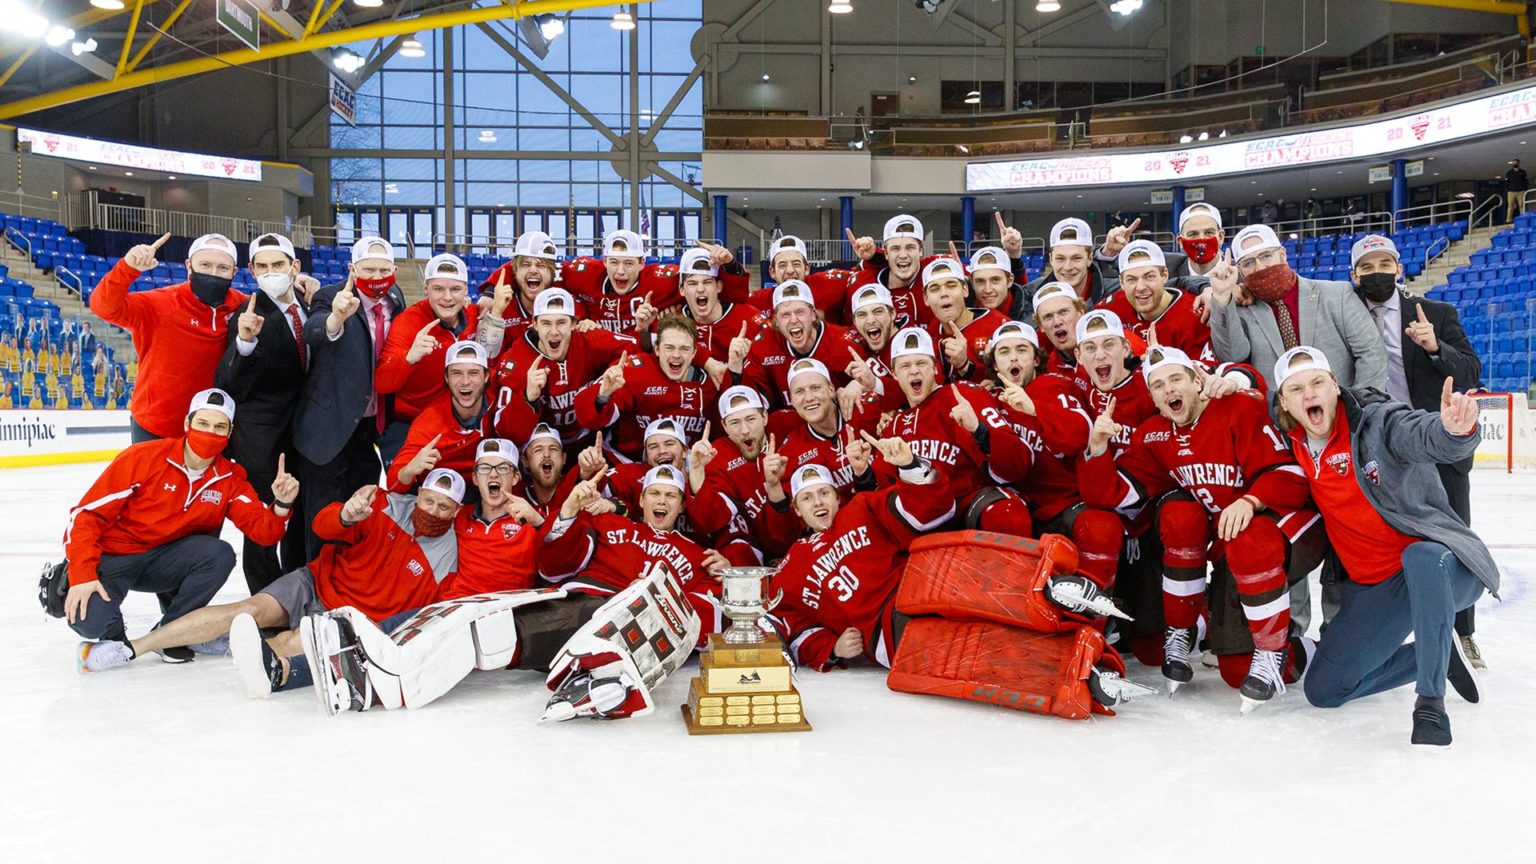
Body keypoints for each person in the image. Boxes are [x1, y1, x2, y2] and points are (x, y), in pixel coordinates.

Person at [770, 446, 1151, 719]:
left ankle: (1051, 590)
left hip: (918, 583)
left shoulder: (860, 509)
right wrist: (830, 648)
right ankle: (1081, 672)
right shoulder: (790, 568)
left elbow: (924, 512)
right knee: (978, 652)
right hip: (888, 633)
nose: (818, 502)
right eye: (807, 498)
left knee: (972, 577)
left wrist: (910, 468)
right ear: (796, 508)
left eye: (823, 492)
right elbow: (790, 626)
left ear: (836, 496)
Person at [1079, 347, 1324, 711]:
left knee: (1250, 538)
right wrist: (1096, 450)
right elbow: (1116, 494)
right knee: (1235, 670)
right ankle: (1189, 628)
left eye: (1176, 379)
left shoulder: (1237, 408)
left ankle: (1278, 651)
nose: (1168, 390)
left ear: (1197, 381)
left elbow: (1292, 474)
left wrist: (1250, 501)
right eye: (1158, 385)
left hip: (1290, 521)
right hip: (1235, 543)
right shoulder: (1155, 436)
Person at [1274, 347, 1493, 746]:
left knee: (1420, 555)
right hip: (1378, 590)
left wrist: (1452, 432)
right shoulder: (1292, 446)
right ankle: (1433, 657)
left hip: (1443, 568)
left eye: (1318, 383)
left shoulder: (1374, 424)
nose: (1310, 394)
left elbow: (1419, 434)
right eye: (1297, 388)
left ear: (1335, 387)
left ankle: (1430, 704)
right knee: (1324, 690)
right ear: (1285, 403)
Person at [113, 469, 464, 697]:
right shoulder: (385, 503)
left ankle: (242, 647)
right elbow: (323, 527)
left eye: (443, 508)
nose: (431, 512)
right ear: (418, 495)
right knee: (248, 610)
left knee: (292, 641)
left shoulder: (450, 557)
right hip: (315, 582)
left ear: (457, 511)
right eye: (428, 501)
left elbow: (432, 613)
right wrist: (344, 515)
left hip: (349, 617)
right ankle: (137, 646)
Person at [62, 389, 298, 671]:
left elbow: (265, 533)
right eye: (203, 424)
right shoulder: (144, 457)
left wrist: (282, 503)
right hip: (116, 557)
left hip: (166, 563)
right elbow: (86, 515)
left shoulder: (229, 478)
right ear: (187, 423)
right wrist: (83, 574)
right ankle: (114, 638)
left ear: (230, 432)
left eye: (219, 427)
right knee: (89, 622)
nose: (210, 432)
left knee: (219, 555)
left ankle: (172, 632)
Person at [1348, 234, 1486, 666]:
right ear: (1353, 275)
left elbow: (1469, 369)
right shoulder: (1345, 313)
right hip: (1376, 449)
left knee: (1453, 536)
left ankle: (1463, 632)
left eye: (1383, 264)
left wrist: (1433, 346)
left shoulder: (1437, 314)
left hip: (1434, 443)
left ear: (1399, 268)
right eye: (1366, 267)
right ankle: (1379, 630)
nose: (1376, 273)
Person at [216, 232, 317, 593]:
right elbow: (228, 382)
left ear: (295, 267)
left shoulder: (311, 304)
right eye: (262, 266)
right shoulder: (248, 316)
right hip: (260, 443)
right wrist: (244, 343)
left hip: (305, 438)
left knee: (300, 520)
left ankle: (294, 592)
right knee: (263, 528)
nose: (270, 272)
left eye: (278, 264)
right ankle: (267, 604)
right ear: (252, 270)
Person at [294, 236, 407, 557]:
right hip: (330, 425)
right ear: (352, 269)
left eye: (383, 269)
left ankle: (348, 581)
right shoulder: (332, 297)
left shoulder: (395, 300)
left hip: (371, 426)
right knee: (322, 514)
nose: (376, 276)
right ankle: (314, 586)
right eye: (368, 269)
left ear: (395, 270)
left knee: (359, 510)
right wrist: (336, 318)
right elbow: (314, 332)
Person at [89, 232, 247, 442]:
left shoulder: (243, 306)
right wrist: (127, 268)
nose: (213, 273)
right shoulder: (158, 304)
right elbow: (103, 307)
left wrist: (297, 282)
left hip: (212, 428)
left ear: (234, 272)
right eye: (205, 265)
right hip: (155, 426)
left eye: (223, 268)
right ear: (189, 266)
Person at [1206, 224, 1387, 391]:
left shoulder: (1336, 294)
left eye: (1266, 256)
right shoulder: (1241, 308)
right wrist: (1222, 297)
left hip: (1342, 411)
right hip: (1279, 417)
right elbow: (1233, 357)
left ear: (1283, 254)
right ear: (1240, 270)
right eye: (1248, 263)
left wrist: (1361, 407)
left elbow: (1371, 352)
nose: (1260, 267)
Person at [489, 287, 634, 450]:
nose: (554, 331)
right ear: (534, 324)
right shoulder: (515, 363)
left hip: (591, 440)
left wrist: (602, 388)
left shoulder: (589, 339)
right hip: (540, 446)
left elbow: (636, 349)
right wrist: (528, 398)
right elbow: (505, 434)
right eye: (546, 323)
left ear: (573, 324)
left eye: (561, 322)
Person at [574, 313, 717, 462]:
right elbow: (587, 419)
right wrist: (603, 394)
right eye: (669, 348)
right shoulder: (633, 371)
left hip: (686, 466)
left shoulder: (711, 382)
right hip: (628, 462)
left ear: (694, 352)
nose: (676, 355)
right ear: (657, 349)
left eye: (684, 349)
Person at [375, 252, 481, 428]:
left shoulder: (473, 314)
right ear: (426, 289)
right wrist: (409, 358)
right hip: (411, 420)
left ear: (466, 290)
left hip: (458, 420)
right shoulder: (408, 322)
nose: (447, 297)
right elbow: (382, 383)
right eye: (438, 289)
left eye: (455, 289)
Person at [387, 341, 492, 492]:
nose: (465, 381)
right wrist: (410, 469)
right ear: (446, 378)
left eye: (473, 373)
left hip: (488, 483)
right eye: (456, 373)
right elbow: (392, 483)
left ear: (487, 376)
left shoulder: (498, 393)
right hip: (446, 491)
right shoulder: (429, 422)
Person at [735, 279, 853, 408]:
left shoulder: (844, 341)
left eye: (799, 312)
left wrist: (861, 385)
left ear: (813, 314)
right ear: (776, 320)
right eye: (785, 315)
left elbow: (874, 381)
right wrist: (734, 368)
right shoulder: (762, 345)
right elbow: (751, 404)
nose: (793, 320)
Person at [920, 257, 1009, 383]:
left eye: (951, 286)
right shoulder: (930, 333)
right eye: (934, 288)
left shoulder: (999, 326)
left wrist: (965, 366)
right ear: (926, 299)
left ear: (965, 290)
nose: (944, 293)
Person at [846, 214, 935, 329]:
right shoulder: (862, 283)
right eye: (895, 249)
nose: (903, 255)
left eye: (910, 248)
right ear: (886, 253)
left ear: (921, 250)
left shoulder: (936, 276)